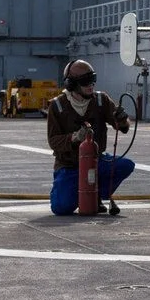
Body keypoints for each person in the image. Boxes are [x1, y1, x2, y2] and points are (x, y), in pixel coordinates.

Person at [46, 59, 135, 216]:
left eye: (92, 80)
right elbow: (53, 141)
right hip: (69, 166)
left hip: (96, 162)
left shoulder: (101, 100)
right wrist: (74, 137)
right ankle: (75, 194)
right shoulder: (57, 106)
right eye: (86, 82)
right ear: (71, 84)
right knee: (61, 208)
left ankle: (96, 195)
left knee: (125, 165)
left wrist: (122, 119)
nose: (91, 85)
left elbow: (123, 127)